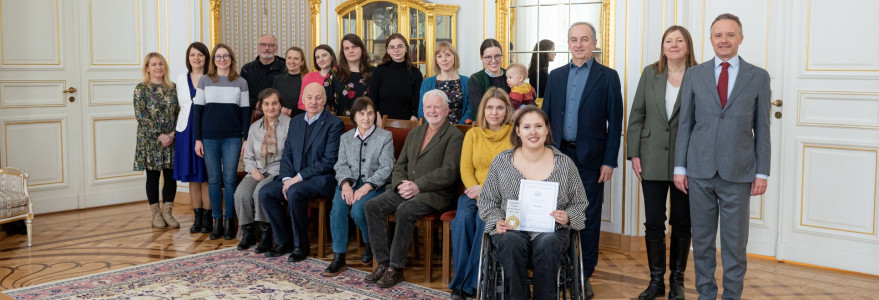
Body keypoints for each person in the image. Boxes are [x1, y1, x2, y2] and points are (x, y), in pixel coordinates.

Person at [674, 14, 770, 299]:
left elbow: (763, 128)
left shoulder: (758, 76)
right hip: (699, 170)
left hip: (739, 171)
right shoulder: (695, 74)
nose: (724, 40)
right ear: (711, 39)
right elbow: (685, 124)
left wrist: (762, 172)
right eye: (718, 35)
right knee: (701, 242)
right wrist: (680, 167)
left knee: (734, 243)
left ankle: (731, 295)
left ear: (740, 38)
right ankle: (706, 294)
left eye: (730, 35)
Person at [541, 21, 623, 299]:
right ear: (568, 44)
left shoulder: (608, 77)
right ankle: (559, 269)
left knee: (586, 216)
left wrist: (609, 161)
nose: (578, 44)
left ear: (594, 42)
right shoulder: (556, 75)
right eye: (573, 39)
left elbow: (616, 123)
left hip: (592, 158)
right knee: (555, 214)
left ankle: (583, 274)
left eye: (584, 39)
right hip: (557, 156)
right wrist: (544, 153)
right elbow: (546, 117)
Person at [478, 106, 588, 300]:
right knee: (510, 242)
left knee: (548, 243)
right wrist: (496, 220)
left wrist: (568, 215)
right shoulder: (502, 162)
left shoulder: (564, 164)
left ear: (547, 130)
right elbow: (487, 200)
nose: (533, 132)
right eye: (527, 127)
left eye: (538, 126)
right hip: (511, 228)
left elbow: (579, 202)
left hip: (551, 231)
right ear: (518, 131)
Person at [363, 90, 464, 288]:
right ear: (423, 110)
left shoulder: (454, 136)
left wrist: (418, 186)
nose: (432, 111)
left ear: (446, 110)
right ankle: (383, 263)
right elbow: (400, 165)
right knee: (372, 206)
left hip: (434, 194)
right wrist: (402, 184)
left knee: (405, 210)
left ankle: (395, 268)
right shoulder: (416, 132)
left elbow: (449, 172)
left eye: (437, 107)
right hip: (405, 189)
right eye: (428, 107)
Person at [627, 25, 698, 300]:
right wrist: (634, 153)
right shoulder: (650, 73)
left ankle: (677, 281)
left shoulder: (700, 74)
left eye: (679, 40)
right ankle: (656, 281)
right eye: (669, 40)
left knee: (682, 221)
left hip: (687, 160)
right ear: (663, 46)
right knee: (654, 221)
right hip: (651, 156)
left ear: (688, 45)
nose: (674, 45)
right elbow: (637, 115)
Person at [258, 82, 344, 261]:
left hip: (322, 179)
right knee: (265, 192)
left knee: (295, 191)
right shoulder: (296, 122)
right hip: (294, 178)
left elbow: (329, 161)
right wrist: (287, 178)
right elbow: (287, 153)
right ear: (303, 100)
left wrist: (296, 179)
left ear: (325, 100)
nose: (313, 102)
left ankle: (301, 246)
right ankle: (284, 242)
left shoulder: (334, 124)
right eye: (309, 97)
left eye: (318, 97)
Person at [448, 87, 513, 299]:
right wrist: (478, 194)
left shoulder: (514, 135)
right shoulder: (473, 134)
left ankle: (470, 284)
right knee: (463, 219)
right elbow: (466, 169)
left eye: (499, 108)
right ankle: (463, 280)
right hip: (473, 192)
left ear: (506, 110)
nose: (494, 112)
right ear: (483, 110)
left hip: (502, 196)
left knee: (484, 220)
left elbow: (514, 173)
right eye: (490, 107)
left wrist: (486, 192)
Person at [324, 97, 394, 276]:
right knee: (338, 209)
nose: (366, 118)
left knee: (358, 210)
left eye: (370, 113)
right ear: (354, 116)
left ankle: (371, 242)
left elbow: (387, 167)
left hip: (374, 186)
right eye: (361, 114)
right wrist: (345, 184)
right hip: (349, 183)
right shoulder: (346, 138)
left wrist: (367, 186)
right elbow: (340, 165)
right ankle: (339, 257)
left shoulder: (385, 136)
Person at [192, 43, 251, 240]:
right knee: (214, 180)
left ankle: (229, 222)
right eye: (218, 56)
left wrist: (246, 138)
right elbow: (197, 111)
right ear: (214, 60)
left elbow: (245, 112)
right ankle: (217, 221)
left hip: (233, 138)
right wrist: (197, 139)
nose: (222, 59)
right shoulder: (205, 81)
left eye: (226, 56)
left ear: (231, 59)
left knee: (229, 179)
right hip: (208, 138)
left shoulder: (241, 82)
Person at [234, 89, 291, 253]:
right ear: (261, 106)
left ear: (280, 105)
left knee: (260, 191)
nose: (270, 107)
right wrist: (252, 171)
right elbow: (248, 157)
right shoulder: (254, 127)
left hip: (278, 170)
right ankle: (249, 232)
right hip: (257, 169)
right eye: (266, 104)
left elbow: (291, 155)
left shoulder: (289, 124)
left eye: (274, 103)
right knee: (241, 193)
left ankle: (266, 233)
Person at [134, 52, 179, 229]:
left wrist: (172, 134)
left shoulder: (173, 87)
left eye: (161, 64)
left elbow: (180, 113)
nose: (158, 67)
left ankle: (168, 212)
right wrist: (159, 136)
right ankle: (156, 214)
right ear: (147, 68)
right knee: (152, 177)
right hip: (150, 140)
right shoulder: (141, 89)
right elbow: (141, 115)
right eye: (153, 64)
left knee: (170, 176)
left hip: (172, 138)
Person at [174, 42, 213, 234]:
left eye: (200, 55)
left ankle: (208, 218)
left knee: (205, 176)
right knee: (192, 177)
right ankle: (197, 218)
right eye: (192, 55)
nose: (196, 58)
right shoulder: (181, 78)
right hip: (185, 130)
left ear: (206, 57)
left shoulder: (212, 78)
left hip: (205, 129)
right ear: (188, 59)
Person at [370, 33, 423, 121]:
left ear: (406, 48)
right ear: (388, 50)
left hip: (408, 122)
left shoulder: (416, 73)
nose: (396, 50)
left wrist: (413, 119)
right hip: (381, 122)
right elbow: (372, 99)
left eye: (400, 46)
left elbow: (418, 101)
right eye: (392, 47)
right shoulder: (379, 71)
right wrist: (378, 121)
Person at [418, 41, 470, 124]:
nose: (444, 59)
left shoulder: (467, 82)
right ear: (436, 61)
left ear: (454, 58)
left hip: (460, 131)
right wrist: (432, 128)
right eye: (439, 56)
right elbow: (422, 110)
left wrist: (459, 128)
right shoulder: (427, 83)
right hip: (433, 130)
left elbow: (470, 110)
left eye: (448, 55)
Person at [329, 34, 372, 116]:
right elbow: (326, 101)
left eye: (354, 47)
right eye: (346, 48)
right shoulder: (334, 73)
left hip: (368, 122)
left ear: (362, 49)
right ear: (343, 52)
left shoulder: (374, 72)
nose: (351, 51)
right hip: (341, 123)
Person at [468, 39, 510, 120]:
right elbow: (479, 110)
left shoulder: (510, 75)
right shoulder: (475, 79)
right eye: (488, 57)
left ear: (502, 56)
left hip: (510, 123)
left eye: (497, 56)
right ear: (482, 58)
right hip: (485, 126)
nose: (493, 61)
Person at [241, 34, 286, 108]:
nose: (267, 48)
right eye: (263, 45)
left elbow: (287, 93)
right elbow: (243, 93)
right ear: (258, 47)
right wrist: (256, 104)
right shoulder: (247, 69)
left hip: (278, 110)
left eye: (271, 45)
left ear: (276, 48)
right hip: (253, 111)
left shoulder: (285, 67)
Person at [300, 44, 338, 113]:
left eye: (324, 55)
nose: (321, 60)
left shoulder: (341, 76)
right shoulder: (309, 77)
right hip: (313, 117)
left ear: (332, 57)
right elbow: (301, 103)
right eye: (317, 57)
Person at [273, 47, 309, 117]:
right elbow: (273, 99)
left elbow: (310, 103)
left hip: (302, 118)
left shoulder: (307, 79)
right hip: (281, 118)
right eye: (289, 58)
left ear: (302, 62)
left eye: (296, 58)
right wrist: (281, 108)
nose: (292, 61)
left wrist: (292, 112)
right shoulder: (278, 79)